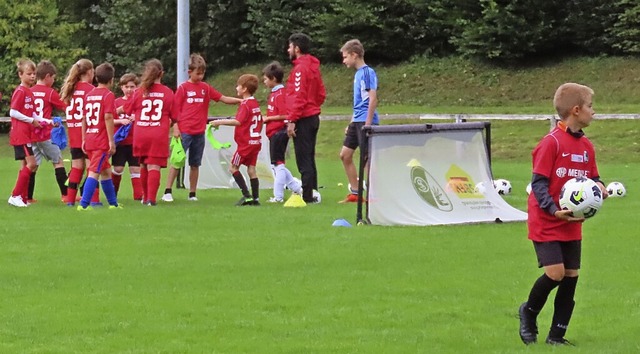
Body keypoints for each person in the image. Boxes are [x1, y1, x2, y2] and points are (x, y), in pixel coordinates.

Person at [518, 83, 608, 346]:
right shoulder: (551, 143)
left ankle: (556, 336)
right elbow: (538, 184)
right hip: (547, 219)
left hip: (572, 221)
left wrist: (599, 187)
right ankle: (529, 312)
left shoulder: (587, 147)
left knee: (570, 276)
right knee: (555, 273)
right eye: (591, 107)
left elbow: (593, 177)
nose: (594, 112)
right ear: (576, 110)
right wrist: (553, 209)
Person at [162, 53, 241, 202]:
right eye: (197, 73)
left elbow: (222, 98)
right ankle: (167, 191)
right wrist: (176, 127)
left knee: (195, 163)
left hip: (199, 132)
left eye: (202, 73)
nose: (200, 76)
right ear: (189, 72)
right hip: (185, 131)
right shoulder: (183, 88)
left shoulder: (205, 88)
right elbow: (175, 110)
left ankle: (192, 193)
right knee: (177, 161)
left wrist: (240, 101)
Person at [124, 59, 176, 206]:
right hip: (158, 133)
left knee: (143, 165)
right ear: (162, 74)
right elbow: (175, 115)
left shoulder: (139, 91)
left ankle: (145, 197)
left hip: (140, 132)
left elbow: (128, 109)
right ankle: (151, 200)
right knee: (154, 166)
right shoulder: (167, 92)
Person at [285, 33, 326, 203]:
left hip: (304, 117)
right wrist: (314, 106)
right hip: (313, 116)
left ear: (297, 48)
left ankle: (308, 196)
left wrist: (292, 120)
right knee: (309, 156)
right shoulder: (313, 67)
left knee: (303, 158)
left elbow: (299, 96)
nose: (288, 50)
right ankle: (313, 191)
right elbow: (321, 93)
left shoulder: (301, 69)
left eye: (290, 46)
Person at [210, 74, 263, 206]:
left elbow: (238, 121)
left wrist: (219, 122)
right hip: (256, 142)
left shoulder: (245, 104)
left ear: (244, 89)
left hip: (245, 144)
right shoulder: (254, 103)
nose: (236, 87)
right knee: (252, 170)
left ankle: (247, 196)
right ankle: (256, 199)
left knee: (233, 168)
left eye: (238, 85)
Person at [338, 39, 379, 203]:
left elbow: (373, 99)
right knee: (345, 155)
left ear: (354, 55)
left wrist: (368, 123)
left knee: (367, 158)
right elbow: (358, 102)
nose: (344, 60)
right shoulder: (357, 74)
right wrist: (351, 123)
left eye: (345, 56)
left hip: (365, 121)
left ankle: (374, 195)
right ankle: (356, 193)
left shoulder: (368, 72)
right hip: (357, 120)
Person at [77, 63, 121, 210]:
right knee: (94, 171)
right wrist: (111, 141)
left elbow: (83, 118)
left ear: (96, 78)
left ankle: (113, 204)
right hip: (100, 141)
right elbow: (108, 118)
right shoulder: (108, 95)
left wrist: (83, 138)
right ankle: (83, 205)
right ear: (111, 80)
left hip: (90, 138)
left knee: (106, 171)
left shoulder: (89, 95)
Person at [7, 59, 46, 207]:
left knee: (27, 165)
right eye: (29, 74)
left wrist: (47, 122)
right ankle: (15, 195)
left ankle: (22, 198)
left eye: (34, 74)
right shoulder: (20, 91)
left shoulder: (29, 92)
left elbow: (33, 114)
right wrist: (31, 120)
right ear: (20, 75)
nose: (32, 76)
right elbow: (13, 112)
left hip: (26, 134)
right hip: (20, 134)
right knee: (32, 163)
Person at [262, 61, 302, 203]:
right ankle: (297, 187)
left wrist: (269, 118)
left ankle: (278, 196)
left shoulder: (280, 94)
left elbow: (286, 115)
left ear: (273, 79)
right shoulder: (274, 93)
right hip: (273, 133)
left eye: (266, 78)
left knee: (278, 165)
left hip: (279, 132)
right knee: (277, 164)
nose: (264, 81)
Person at [29, 60, 69, 203]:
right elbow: (64, 107)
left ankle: (28, 197)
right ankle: (66, 195)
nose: (53, 81)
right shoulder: (50, 92)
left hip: (31, 133)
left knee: (33, 165)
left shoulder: (29, 91)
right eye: (53, 78)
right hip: (45, 133)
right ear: (47, 76)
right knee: (58, 161)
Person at [60, 59, 97, 206]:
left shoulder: (69, 89)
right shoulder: (91, 90)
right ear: (89, 72)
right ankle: (93, 199)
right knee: (91, 168)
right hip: (88, 134)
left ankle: (70, 200)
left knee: (76, 167)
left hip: (74, 135)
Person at [112, 73, 143, 200]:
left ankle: (138, 196)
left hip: (134, 142)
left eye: (132, 86)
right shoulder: (116, 102)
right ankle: (113, 194)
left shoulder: (140, 102)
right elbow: (108, 120)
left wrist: (137, 118)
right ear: (121, 88)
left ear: (137, 87)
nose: (129, 89)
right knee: (118, 169)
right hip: (120, 142)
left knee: (135, 170)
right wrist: (120, 121)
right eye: (126, 86)